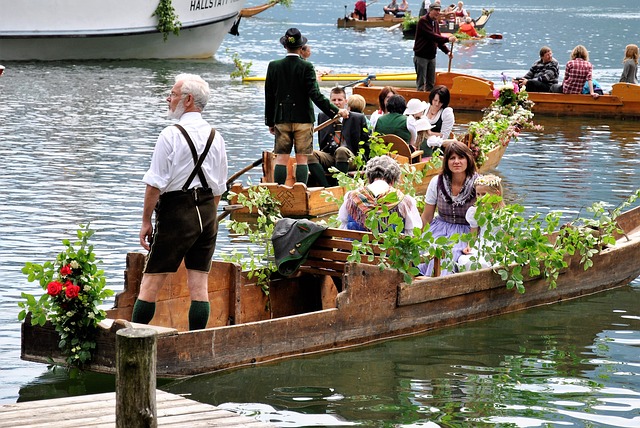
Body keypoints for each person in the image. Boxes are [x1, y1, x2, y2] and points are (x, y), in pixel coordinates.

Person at [132, 73, 228, 331]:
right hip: (208, 213)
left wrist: (145, 221)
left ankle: (131, 343)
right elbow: (219, 187)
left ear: (187, 100)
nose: (168, 98)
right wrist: (206, 217)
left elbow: (154, 183)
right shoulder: (216, 136)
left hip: (176, 212)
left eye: (173, 94)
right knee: (199, 285)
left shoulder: (170, 134)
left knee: (150, 283)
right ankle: (195, 344)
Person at [265, 28, 349, 185]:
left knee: (282, 158)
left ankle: (278, 192)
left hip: (281, 118)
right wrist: (336, 111)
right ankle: (301, 191)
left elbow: (269, 96)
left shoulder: (273, 66)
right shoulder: (307, 67)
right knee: (302, 159)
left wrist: (270, 121)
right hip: (303, 119)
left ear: (285, 46)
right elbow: (315, 95)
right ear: (300, 48)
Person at [419, 141, 478, 276]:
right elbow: (427, 216)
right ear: (446, 162)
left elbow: (484, 216)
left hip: (467, 231)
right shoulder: (437, 182)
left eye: (461, 157)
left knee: (450, 253)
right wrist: (416, 237)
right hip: (440, 228)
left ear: (468, 160)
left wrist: (472, 242)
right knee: (431, 248)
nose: (456, 162)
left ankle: (439, 286)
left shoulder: (478, 183)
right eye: (452, 158)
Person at [338, 155, 422, 234]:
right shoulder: (404, 201)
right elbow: (413, 233)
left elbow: (343, 229)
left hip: (353, 249)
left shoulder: (351, 197)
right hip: (389, 249)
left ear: (369, 178)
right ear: (393, 180)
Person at [308, 87, 370, 186]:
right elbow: (322, 142)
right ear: (329, 101)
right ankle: (326, 187)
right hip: (330, 156)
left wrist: (365, 163)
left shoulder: (357, 118)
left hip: (351, 158)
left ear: (345, 101)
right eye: (334, 100)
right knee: (309, 153)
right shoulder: (323, 116)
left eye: (340, 100)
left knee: (341, 150)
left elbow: (366, 143)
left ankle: (338, 186)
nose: (337, 103)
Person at [457, 174, 506, 272]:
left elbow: (507, 238)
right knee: (465, 260)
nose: (480, 198)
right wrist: (469, 246)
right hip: (481, 245)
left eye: (484, 194)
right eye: (478, 194)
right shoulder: (476, 212)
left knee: (489, 263)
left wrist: (500, 253)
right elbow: (473, 234)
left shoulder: (504, 214)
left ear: (497, 194)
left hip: (497, 247)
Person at [413, 3, 457, 92]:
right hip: (421, 56)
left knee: (431, 83)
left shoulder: (436, 23)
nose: (438, 12)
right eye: (435, 10)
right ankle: (420, 98)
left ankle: (430, 100)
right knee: (421, 82)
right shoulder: (423, 21)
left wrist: (447, 52)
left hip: (431, 56)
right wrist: (448, 39)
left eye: (439, 10)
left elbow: (438, 40)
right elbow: (432, 36)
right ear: (430, 10)